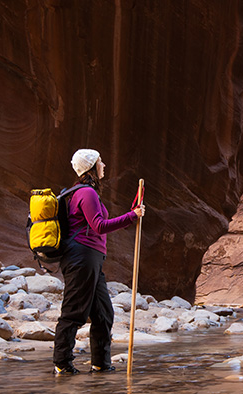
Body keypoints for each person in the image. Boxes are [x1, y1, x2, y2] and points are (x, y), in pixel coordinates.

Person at [53, 148, 145, 375]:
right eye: (100, 162)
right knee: (73, 312)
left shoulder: (86, 192)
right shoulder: (86, 193)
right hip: (81, 257)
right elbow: (99, 225)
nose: (104, 165)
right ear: (92, 166)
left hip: (90, 259)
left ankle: (101, 364)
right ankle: (61, 364)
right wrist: (132, 216)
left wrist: (131, 216)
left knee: (103, 313)